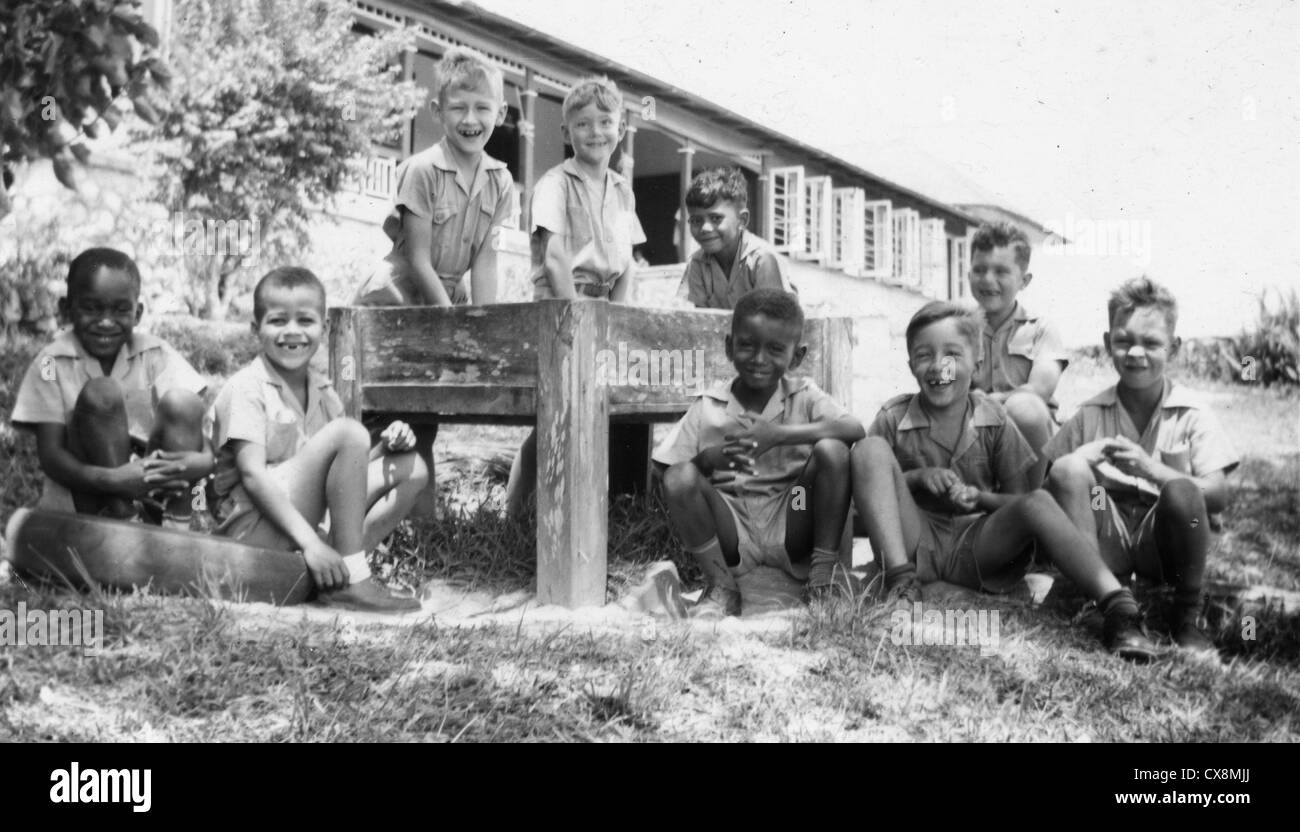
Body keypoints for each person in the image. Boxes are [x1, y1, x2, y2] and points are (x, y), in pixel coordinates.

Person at [850, 301, 1158, 660]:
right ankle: (901, 586)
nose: (939, 366)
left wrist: (979, 498)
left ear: (977, 363)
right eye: (924, 355)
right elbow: (862, 511)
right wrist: (916, 479)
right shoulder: (893, 416)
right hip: (913, 545)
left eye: (952, 353)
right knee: (868, 449)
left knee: (1040, 502)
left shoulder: (993, 419)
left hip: (976, 547)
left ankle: (1119, 608)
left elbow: (1021, 505)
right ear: (910, 366)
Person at [352, 46, 519, 516]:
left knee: (424, 420)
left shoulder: (501, 181)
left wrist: (484, 328)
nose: (471, 119)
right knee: (381, 419)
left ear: (501, 113)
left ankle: (422, 532)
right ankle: (351, 518)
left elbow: (484, 262)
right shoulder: (421, 170)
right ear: (437, 111)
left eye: (483, 108)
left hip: (446, 298)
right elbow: (420, 260)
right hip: (397, 300)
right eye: (458, 107)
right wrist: (454, 327)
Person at [209, 267, 424, 613]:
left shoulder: (324, 394)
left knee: (411, 467)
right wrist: (311, 543)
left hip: (301, 526)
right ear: (255, 329)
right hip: (252, 537)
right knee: (349, 433)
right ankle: (352, 580)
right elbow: (252, 475)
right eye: (278, 321)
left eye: (305, 321)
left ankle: (336, 571)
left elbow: (341, 479)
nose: (292, 332)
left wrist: (388, 445)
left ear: (323, 329)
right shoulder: (246, 387)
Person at [1044, 277, 1238, 653]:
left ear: (1175, 348)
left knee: (1183, 490)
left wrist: (1150, 469)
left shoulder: (1193, 413)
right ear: (1106, 344)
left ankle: (1187, 617)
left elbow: (1217, 495)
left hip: (1164, 542)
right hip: (1105, 536)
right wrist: (1080, 460)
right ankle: (1098, 600)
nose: (1135, 353)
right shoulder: (1089, 414)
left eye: (1151, 343)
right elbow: (1048, 492)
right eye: (1123, 340)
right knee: (1069, 469)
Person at [653, 288, 863, 617]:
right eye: (747, 345)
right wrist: (707, 461)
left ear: (796, 356)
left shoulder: (804, 396)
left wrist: (779, 435)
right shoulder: (709, 406)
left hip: (793, 507)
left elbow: (854, 429)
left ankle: (822, 579)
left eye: (775, 349)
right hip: (732, 521)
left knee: (833, 450)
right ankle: (722, 586)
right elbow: (667, 475)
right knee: (680, 475)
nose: (759, 359)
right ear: (729, 346)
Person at [503, 75, 647, 519]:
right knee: (554, 415)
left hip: (605, 309)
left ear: (620, 130)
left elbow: (627, 262)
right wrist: (577, 324)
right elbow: (555, 261)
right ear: (566, 133)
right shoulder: (555, 184)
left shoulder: (622, 189)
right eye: (583, 124)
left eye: (606, 122)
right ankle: (517, 515)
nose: (596, 133)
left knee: (612, 408)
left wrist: (617, 323)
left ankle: (610, 509)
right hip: (561, 307)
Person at [11, 247, 211, 528]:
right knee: (102, 393)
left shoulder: (155, 354)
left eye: (120, 310)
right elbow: (51, 456)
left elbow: (201, 438)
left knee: (184, 401)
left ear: (138, 312)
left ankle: (176, 522)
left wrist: (199, 463)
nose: (106, 322)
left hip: (151, 484)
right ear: (65, 309)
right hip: (88, 496)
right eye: (91, 308)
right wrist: (114, 480)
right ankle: (123, 516)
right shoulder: (51, 363)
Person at [967, 222, 1068, 488]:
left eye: (1001, 271)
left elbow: (1038, 391)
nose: (988, 279)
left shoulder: (1041, 330)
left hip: (1035, 446)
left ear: (1024, 281)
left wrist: (988, 401)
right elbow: (944, 384)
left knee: (1026, 408)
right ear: (968, 276)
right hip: (974, 437)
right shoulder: (957, 330)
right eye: (979, 270)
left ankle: (1028, 504)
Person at [677, 167, 795, 309]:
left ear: (742, 220)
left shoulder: (762, 260)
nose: (705, 228)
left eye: (716, 218)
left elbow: (775, 322)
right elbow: (699, 320)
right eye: (696, 220)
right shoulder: (697, 263)